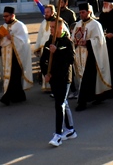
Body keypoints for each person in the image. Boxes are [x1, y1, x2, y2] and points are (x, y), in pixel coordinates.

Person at [72, 3, 112, 111]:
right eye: (80, 12)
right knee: (83, 78)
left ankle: (82, 102)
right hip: (79, 54)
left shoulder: (95, 24)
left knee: (87, 79)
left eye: (83, 12)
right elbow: (73, 38)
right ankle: (98, 96)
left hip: (91, 55)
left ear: (89, 12)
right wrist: (75, 42)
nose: (81, 14)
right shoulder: (78, 24)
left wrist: (88, 42)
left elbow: (99, 41)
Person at [45, 18, 77, 147]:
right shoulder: (49, 41)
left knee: (59, 104)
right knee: (63, 103)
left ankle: (58, 134)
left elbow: (70, 59)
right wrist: (45, 74)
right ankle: (71, 130)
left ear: (60, 28)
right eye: (50, 27)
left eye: (53, 27)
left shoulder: (67, 42)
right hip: (53, 77)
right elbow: (44, 59)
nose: (51, 29)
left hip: (64, 78)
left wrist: (56, 52)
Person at [0, 7, 33, 105]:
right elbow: (2, 42)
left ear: (12, 15)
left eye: (6, 16)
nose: (5, 18)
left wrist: (11, 37)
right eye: (4, 16)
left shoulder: (20, 26)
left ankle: (7, 97)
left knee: (14, 77)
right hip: (7, 56)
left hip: (17, 56)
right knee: (12, 77)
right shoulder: (4, 26)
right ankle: (19, 96)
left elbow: (24, 42)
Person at [34, 4, 58, 91]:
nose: (46, 14)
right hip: (44, 48)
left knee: (52, 67)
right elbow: (40, 35)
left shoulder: (58, 21)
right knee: (45, 67)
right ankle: (46, 86)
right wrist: (37, 48)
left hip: (53, 49)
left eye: (48, 12)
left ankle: (54, 86)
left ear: (53, 12)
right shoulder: (43, 22)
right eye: (45, 12)